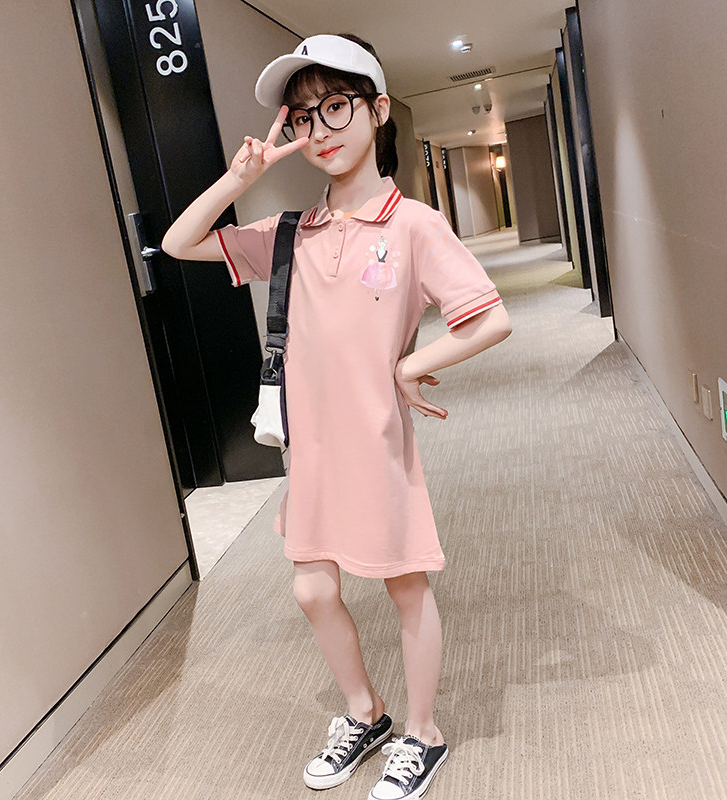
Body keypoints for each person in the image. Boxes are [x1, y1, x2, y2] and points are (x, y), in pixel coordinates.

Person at [162, 32, 512, 800]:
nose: (317, 130)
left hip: (378, 442)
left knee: (405, 589)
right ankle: (365, 712)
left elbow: (489, 318)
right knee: (314, 591)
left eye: (334, 108)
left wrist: (408, 366)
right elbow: (178, 243)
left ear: (377, 110)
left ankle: (424, 732)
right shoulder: (291, 234)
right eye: (302, 116)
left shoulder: (412, 224)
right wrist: (239, 178)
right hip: (312, 451)